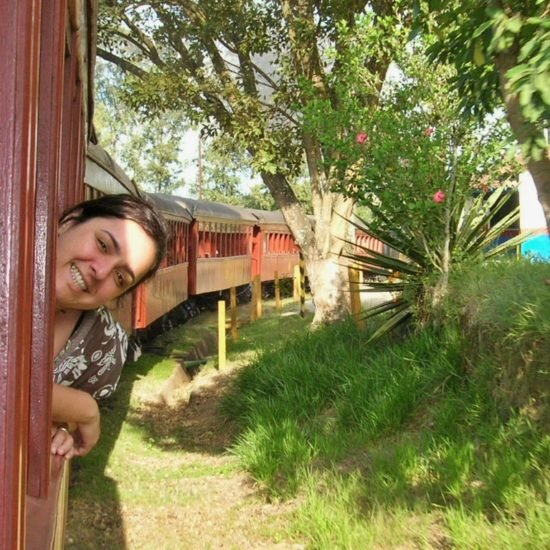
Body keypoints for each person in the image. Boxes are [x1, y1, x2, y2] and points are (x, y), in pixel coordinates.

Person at [50, 194, 167, 459]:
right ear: (69, 222)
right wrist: (83, 408)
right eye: (103, 245)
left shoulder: (101, 349)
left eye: (119, 277)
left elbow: (58, 425)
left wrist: (62, 427)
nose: (101, 272)